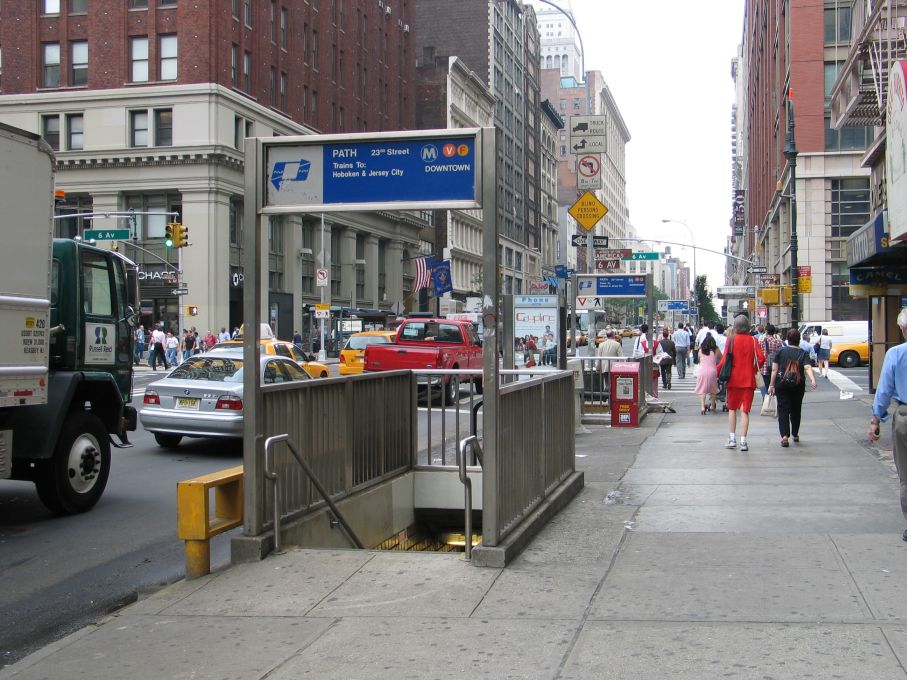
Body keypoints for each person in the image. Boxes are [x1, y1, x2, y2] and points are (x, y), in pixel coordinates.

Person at [868, 308, 907, 540]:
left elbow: (884, 390)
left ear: (902, 329)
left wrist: (875, 420)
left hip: (904, 416)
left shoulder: (896, 354)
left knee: (905, 473)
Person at [716, 314, 765, 452]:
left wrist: (716, 371)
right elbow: (761, 358)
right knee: (745, 411)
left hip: (733, 380)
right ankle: (743, 441)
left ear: (735, 327)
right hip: (748, 380)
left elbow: (724, 360)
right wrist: (754, 368)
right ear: (748, 327)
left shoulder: (731, 340)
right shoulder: (753, 341)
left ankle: (732, 439)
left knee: (732, 409)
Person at [768, 328, 818, 447]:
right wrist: (812, 379)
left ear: (788, 339)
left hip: (782, 384)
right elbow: (807, 367)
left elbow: (774, 369)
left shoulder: (780, 351)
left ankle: (785, 436)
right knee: (796, 409)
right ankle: (795, 434)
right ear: (799, 340)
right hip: (798, 384)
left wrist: (771, 384)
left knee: (783, 409)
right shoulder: (803, 353)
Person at [694, 333, 721, 415]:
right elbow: (721, 358)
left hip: (702, 371)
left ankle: (702, 407)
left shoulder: (701, 350)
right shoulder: (715, 350)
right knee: (713, 390)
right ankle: (712, 406)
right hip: (712, 371)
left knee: (702, 390)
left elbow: (699, 359)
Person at [758, 323, 784, 398]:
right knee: (774, 386)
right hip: (775, 368)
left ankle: (766, 403)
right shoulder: (778, 342)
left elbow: (758, 354)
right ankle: (774, 401)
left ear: (766, 331)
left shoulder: (761, 342)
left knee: (765, 386)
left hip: (764, 368)